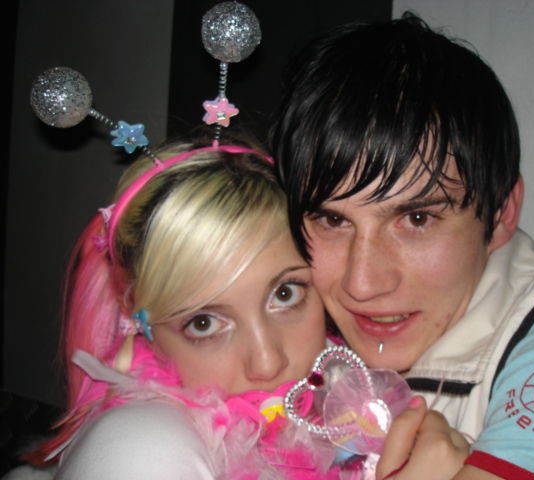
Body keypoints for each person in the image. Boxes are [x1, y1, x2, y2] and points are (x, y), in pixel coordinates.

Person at [271, 13, 534, 480]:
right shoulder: (288, 351)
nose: (362, 284)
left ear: (501, 213)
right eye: (333, 220)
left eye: (417, 219)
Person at [21, 130, 344, 480]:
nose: (268, 363)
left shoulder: (355, 395)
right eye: (203, 323)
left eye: (285, 294)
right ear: (140, 323)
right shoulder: (141, 451)